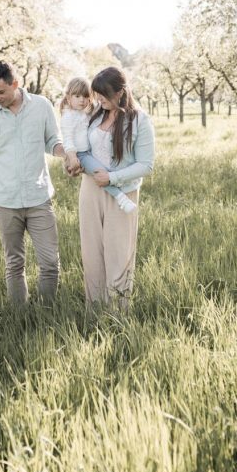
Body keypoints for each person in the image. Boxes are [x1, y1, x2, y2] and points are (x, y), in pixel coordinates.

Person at [0, 60, 70, 304]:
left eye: (1, 92)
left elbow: (53, 141)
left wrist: (66, 154)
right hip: (6, 201)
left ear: (15, 84)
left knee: (50, 262)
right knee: (14, 264)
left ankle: (47, 313)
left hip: (39, 198)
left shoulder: (41, 106)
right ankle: (21, 317)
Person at [78, 66, 155, 310]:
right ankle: (95, 310)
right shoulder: (95, 114)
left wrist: (112, 178)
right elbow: (83, 149)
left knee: (119, 252)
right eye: (97, 94)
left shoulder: (139, 120)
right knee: (91, 252)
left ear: (121, 92)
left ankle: (119, 312)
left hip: (122, 192)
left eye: (104, 95)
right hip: (90, 189)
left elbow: (146, 165)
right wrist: (77, 164)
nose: (99, 99)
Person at [60, 76, 136, 214]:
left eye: (85, 96)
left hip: (89, 152)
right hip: (81, 155)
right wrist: (71, 157)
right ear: (68, 98)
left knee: (104, 170)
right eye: (77, 96)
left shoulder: (88, 112)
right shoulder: (68, 117)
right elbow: (68, 139)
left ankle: (119, 187)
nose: (82, 100)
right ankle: (121, 198)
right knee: (100, 173)